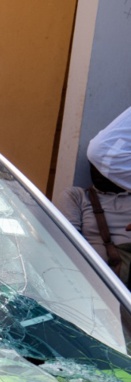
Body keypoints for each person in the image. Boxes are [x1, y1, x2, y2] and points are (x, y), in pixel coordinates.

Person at [59, 105, 131, 285]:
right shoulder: (77, 196)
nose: (100, 172)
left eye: (107, 170)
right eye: (95, 167)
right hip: (94, 281)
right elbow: (66, 242)